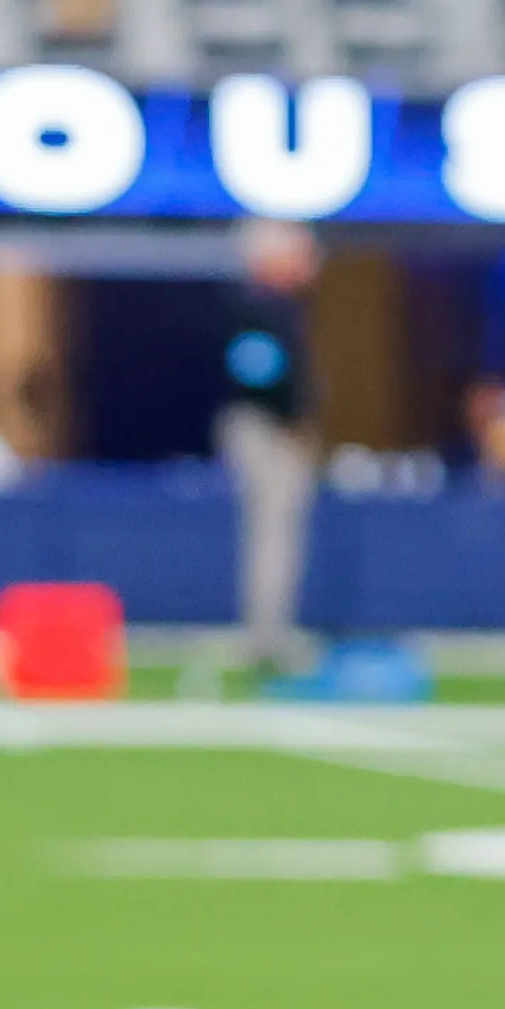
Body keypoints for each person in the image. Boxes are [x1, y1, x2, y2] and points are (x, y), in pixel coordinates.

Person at [219, 221, 320, 674]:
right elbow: (260, 373)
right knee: (272, 533)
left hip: (268, 426)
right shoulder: (259, 308)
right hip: (266, 429)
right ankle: (267, 637)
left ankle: (271, 632)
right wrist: (293, 417)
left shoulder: (278, 307)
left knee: (277, 533)